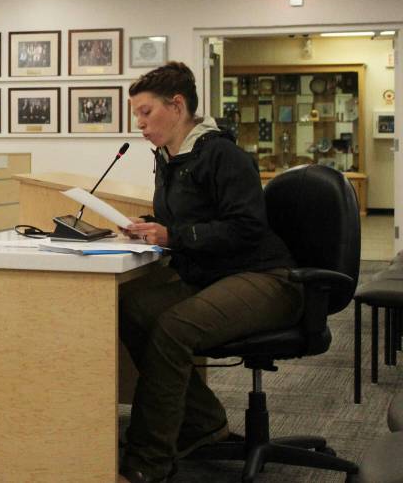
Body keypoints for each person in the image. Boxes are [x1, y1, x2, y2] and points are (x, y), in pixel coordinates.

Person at [118, 62, 303, 483]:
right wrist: (151, 226)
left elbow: (246, 227)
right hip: (216, 275)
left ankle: (148, 461)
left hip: (268, 278)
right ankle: (202, 421)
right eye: (137, 114)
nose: (139, 123)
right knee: (133, 309)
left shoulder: (222, 155)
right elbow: (191, 219)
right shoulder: (170, 159)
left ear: (177, 106)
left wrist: (174, 234)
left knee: (173, 328)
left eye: (146, 112)